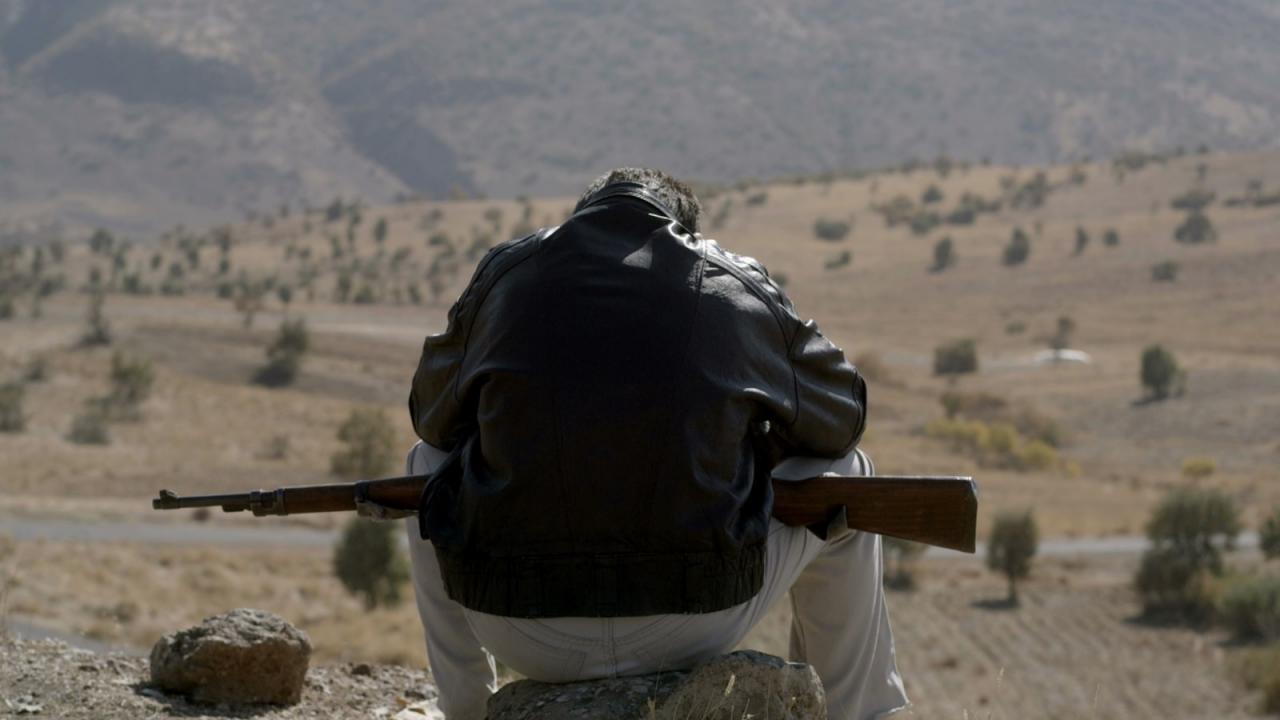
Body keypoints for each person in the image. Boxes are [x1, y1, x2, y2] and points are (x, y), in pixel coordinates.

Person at [401, 168, 907, 720]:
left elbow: (431, 419)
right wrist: (747, 443)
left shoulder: (507, 275)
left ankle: (466, 709)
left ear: (582, 217)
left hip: (518, 625)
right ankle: (862, 715)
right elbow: (842, 418)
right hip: (695, 617)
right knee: (847, 474)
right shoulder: (731, 283)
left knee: (426, 468)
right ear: (686, 230)